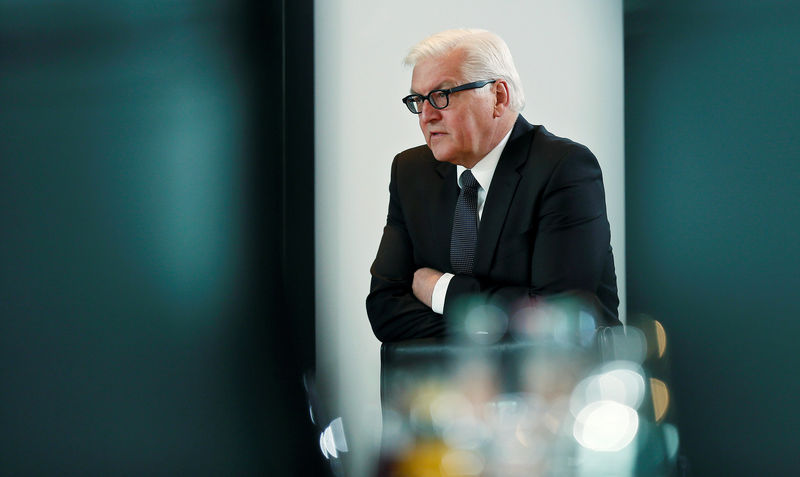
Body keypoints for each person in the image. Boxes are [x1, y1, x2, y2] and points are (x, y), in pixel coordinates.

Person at [367, 29, 619, 342]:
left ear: (498, 97)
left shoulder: (563, 168)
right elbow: (385, 310)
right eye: (418, 100)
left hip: (553, 384)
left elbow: (556, 318)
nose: (427, 115)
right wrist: (496, 320)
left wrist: (439, 289)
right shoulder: (411, 171)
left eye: (441, 96)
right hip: (443, 387)